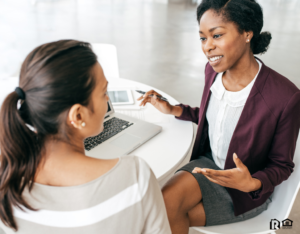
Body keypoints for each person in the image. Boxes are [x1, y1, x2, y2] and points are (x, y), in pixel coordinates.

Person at [138, 0, 300, 233]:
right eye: (203, 38)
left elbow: (282, 165)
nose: (207, 47)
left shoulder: (286, 97)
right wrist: (174, 109)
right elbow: (214, 117)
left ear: (247, 33)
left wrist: (252, 183)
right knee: (159, 207)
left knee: (164, 213)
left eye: (217, 35)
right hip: (208, 165)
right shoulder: (212, 72)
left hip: (245, 191)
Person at [0, 40, 171, 234]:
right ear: (78, 115)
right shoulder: (135, 176)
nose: (108, 99)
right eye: (103, 93)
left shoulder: (7, 179)